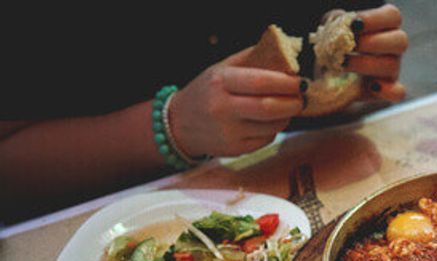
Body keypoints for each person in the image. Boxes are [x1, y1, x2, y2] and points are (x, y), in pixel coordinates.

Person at [0, 3, 407, 224]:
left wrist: (352, 62)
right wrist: (171, 127)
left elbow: (328, 24)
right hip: (106, 217)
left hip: (309, 172)